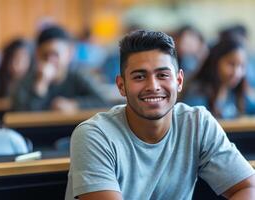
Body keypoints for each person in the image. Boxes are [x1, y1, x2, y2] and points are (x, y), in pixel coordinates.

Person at [65, 30, 255, 200]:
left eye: (163, 75)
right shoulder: (94, 135)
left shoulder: (198, 123)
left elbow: (248, 187)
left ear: (179, 81)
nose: (153, 86)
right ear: (121, 85)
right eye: (139, 77)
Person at [12, 25, 108, 112]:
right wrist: (40, 85)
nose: (50, 60)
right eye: (45, 55)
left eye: (55, 54)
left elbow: (104, 103)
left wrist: (75, 105)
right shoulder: (25, 81)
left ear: (69, 53)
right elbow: (20, 114)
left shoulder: (78, 76)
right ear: (37, 54)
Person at [181, 37, 255, 118]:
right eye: (231, 64)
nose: (237, 73)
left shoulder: (237, 93)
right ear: (215, 62)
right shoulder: (197, 94)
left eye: (242, 66)